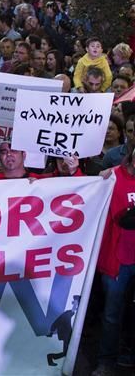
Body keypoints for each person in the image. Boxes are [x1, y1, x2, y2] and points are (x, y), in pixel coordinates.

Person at [94, 149, 135, 375]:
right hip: (116, 259)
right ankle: (106, 361)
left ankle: (129, 354)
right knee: (112, 314)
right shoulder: (111, 177)